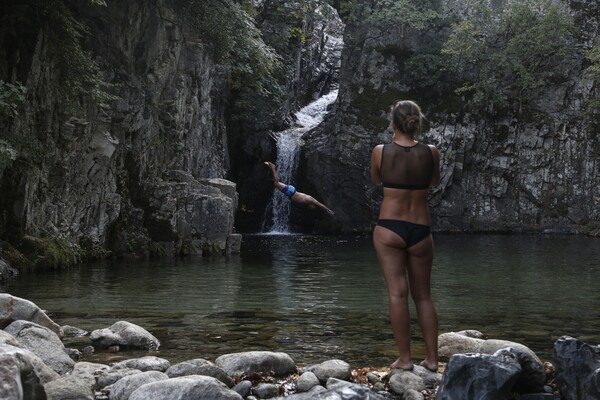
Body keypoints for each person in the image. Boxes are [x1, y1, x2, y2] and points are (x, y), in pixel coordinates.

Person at [370, 100, 441, 372]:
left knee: (397, 294)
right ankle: (433, 360)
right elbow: (433, 182)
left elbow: (377, 179)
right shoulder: (431, 152)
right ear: (416, 122)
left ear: (393, 123)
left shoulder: (380, 152)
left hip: (390, 227)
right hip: (421, 230)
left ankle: (405, 359)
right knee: (423, 296)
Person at [264, 161, 334, 215]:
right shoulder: (311, 199)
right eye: (313, 208)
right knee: (276, 183)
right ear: (313, 205)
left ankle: (270, 167)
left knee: (276, 183)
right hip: (291, 192)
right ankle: (273, 167)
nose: (312, 208)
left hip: (291, 192)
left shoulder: (307, 202)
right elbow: (320, 204)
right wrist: (327, 209)